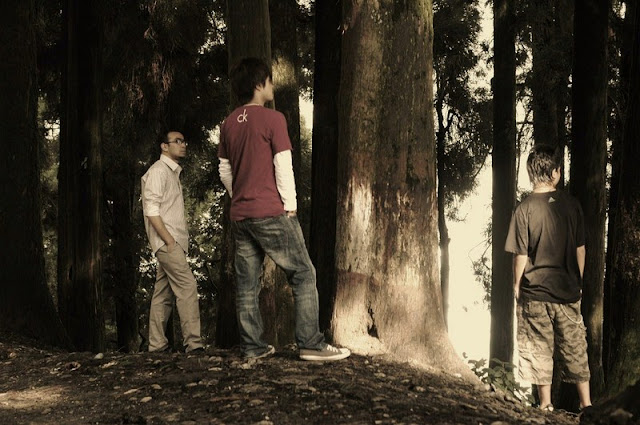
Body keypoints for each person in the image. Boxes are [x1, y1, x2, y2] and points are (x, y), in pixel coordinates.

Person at [218, 57, 350, 361]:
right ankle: (310, 344)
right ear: (259, 84)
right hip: (270, 212)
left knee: (246, 284)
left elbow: (224, 170)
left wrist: (239, 195)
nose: (272, 86)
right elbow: (282, 164)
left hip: (241, 216)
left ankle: (253, 347)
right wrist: (290, 204)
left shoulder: (228, 124)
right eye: (269, 80)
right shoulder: (273, 119)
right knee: (303, 273)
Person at [505, 144, 592, 411]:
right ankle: (587, 404)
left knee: (538, 348)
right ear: (554, 173)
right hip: (567, 291)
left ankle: (545, 404)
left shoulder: (523, 209)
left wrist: (516, 285)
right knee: (575, 347)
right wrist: (578, 281)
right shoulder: (572, 205)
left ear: (531, 174)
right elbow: (580, 249)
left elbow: (520, 255)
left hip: (535, 293)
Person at [141, 131, 204, 354]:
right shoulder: (158, 171)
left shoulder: (172, 172)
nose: (183, 144)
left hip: (172, 242)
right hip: (168, 242)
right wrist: (168, 241)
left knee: (163, 294)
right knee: (187, 287)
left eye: (184, 141)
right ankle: (194, 344)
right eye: (177, 141)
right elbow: (151, 210)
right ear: (164, 146)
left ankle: (157, 345)